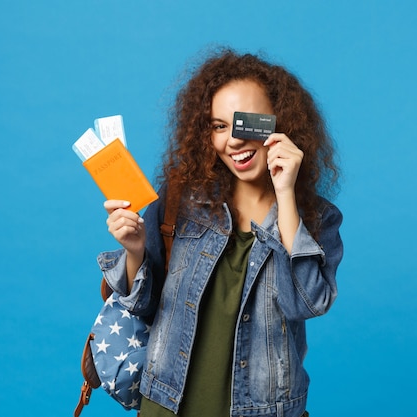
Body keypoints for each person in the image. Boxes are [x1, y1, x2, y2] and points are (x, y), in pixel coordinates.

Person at [99, 48, 344, 417]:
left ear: (280, 124)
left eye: (247, 123)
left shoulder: (317, 218)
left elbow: (307, 303)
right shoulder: (181, 200)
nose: (233, 140)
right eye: (219, 126)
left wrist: (286, 195)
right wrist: (135, 251)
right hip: (166, 406)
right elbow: (145, 305)